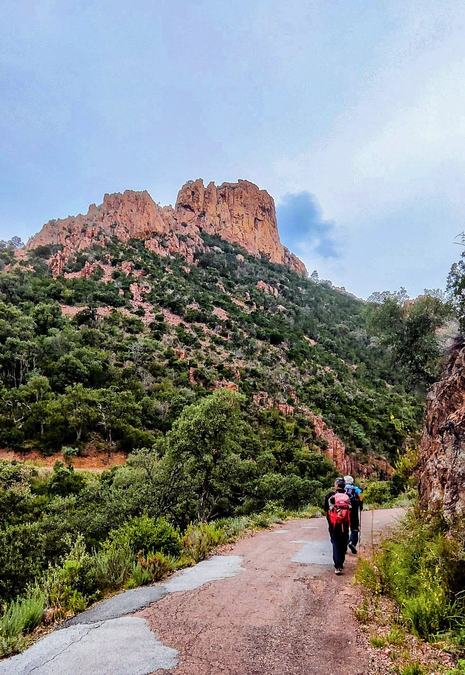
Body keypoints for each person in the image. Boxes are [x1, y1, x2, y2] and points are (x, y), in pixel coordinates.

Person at [324, 477, 351, 575]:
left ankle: (338, 566)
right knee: (344, 543)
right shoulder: (348, 496)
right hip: (345, 524)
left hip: (334, 525)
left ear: (336, 485)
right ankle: (341, 562)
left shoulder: (330, 496)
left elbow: (326, 509)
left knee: (335, 543)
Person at [344, 475, 363, 554]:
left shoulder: (343, 488)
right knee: (354, 527)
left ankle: (343, 546)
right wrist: (361, 506)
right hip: (354, 510)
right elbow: (361, 497)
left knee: (344, 528)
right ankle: (352, 543)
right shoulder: (356, 489)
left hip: (344, 510)